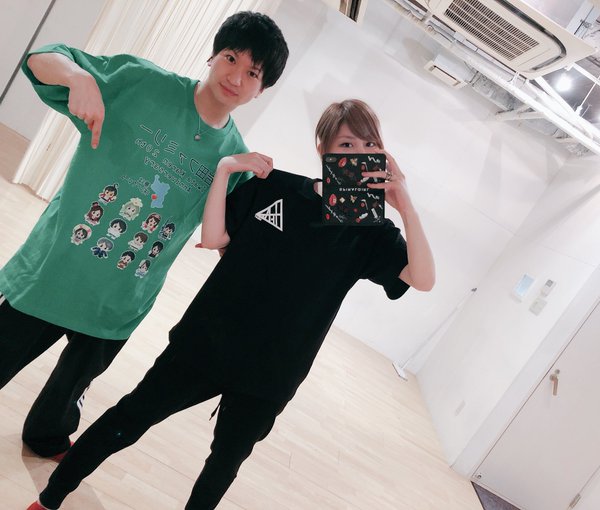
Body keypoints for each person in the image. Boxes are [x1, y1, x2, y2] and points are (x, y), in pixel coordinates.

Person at [27, 99, 436, 510]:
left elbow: (422, 279)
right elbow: (214, 238)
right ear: (323, 148)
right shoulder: (276, 186)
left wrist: (406, 206)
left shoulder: (371, 229)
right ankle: (50, 498)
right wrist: (224, 170)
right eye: (347, 145)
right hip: (204, 343)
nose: (359, 155)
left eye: (369, 146)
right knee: (129, 419)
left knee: (223, 466)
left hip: (271, 374)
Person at [0, 11, 288, 461]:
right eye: (231, 58)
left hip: (121, 296)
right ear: (213, 55)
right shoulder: (141, 83)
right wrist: (79, 77)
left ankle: (47, 436)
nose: (236, 77)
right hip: (54, 269)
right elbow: (40, 58)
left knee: (70, 390)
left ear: (261, 89)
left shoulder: (235, 160)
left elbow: (223, 240)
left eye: (253, 73)